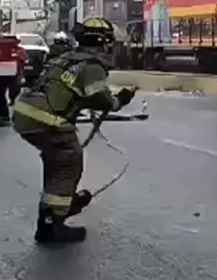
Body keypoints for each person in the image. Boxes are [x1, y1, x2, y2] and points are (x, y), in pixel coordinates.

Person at [12, 16, 136, 245]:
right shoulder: (92, 65)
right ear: (104, 42)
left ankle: (53, 216)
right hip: (46, 118)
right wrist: (120, 101)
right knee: (67, 164)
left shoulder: (68, 58)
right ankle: (52, 227)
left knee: (57, 162)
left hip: (26, 113)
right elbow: (99, 98)